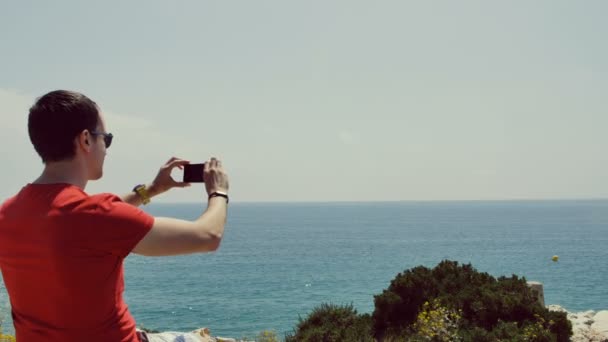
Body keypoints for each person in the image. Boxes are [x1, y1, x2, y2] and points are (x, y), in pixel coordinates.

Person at [0, 90, 230, 342]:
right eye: (106, 139)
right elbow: (208, 236)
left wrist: (150, 190)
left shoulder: (8, 213)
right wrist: (218, 191)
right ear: (86, 140)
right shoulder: (94, 216)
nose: (106, 149)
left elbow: (75, 218)